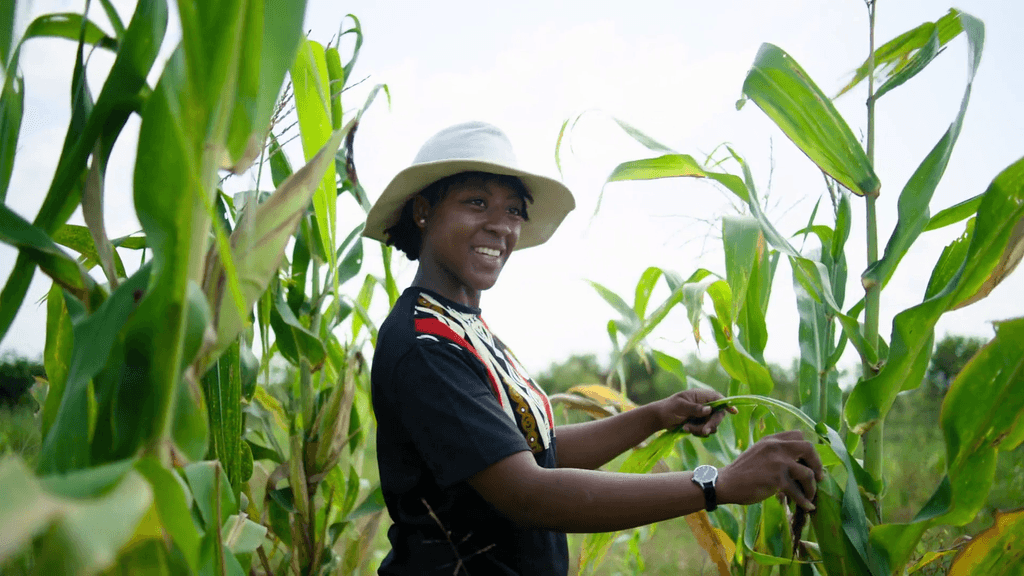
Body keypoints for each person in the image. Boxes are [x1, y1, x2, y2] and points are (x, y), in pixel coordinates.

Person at [363, 121, 824, 576]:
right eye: (477, 202)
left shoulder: (467, 330)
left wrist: (655, 415)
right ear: (423, 211)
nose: (501, 226)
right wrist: (716, 484)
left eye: (513, 210)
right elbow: (529, 493)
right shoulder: (426, 345)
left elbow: (537, 453)